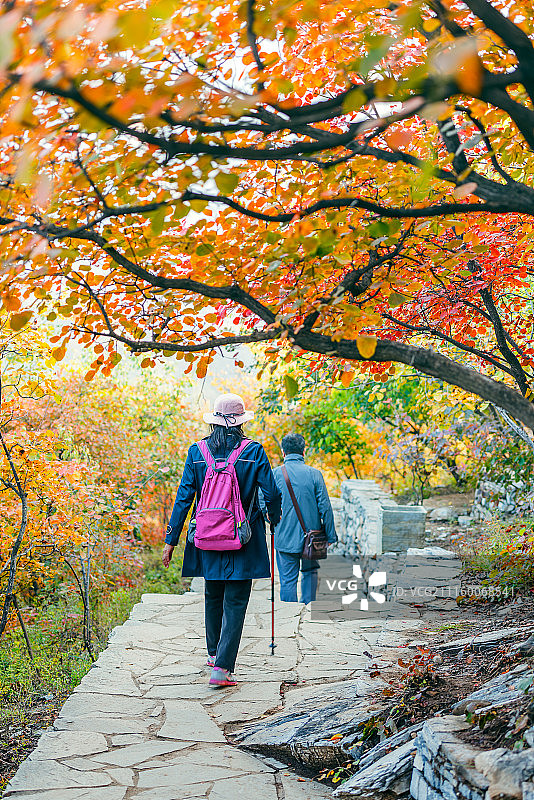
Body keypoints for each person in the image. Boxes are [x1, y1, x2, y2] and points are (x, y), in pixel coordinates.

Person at [162, 393, 281, 688]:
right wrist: (273, 519)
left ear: (214, 420)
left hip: (206, 536)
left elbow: (183, 498)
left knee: (212, 594)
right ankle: (222, 669)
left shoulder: (197, 452)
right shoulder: (253, 451)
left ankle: (214, 654)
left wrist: (171, 539)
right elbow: (272, 493)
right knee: (237, 601)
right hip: (243, 536)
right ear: (240, 422)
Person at [273, 433, 337, 604]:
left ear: (283, 452)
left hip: (284, 536)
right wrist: (330, 536)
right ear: (304, 451)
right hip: (312, 537)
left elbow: (262, 502)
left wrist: (274, 522)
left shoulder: (275, 474)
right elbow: (325, 508)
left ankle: (289, 614)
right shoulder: (315, 474)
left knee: (287, 580)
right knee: (310, 573)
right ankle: (308, 610)